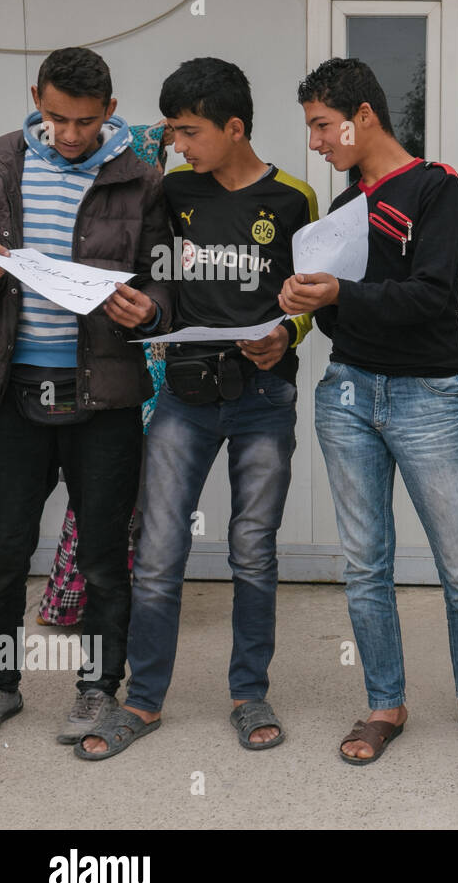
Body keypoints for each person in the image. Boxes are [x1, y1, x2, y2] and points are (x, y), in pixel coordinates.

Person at [282, 57, 458, 764]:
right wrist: (313, 301)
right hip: (345, 396)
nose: (317, 142)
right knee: (366, 564)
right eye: (311, 129)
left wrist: (339, 295)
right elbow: (343, 325)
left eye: (323, 126)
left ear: (363, 114)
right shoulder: (338, 214)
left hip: (426, 397)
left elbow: (432, 298)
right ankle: (383, 705)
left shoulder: (436, 188)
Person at [80, 57, 317, 759]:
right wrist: (145, 310)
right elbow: (161, 285)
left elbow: (308, 297)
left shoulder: (294, 199)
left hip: (263, 398)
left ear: (234, 126)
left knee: (252, 551)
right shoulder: (173, 192)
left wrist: (287, 333)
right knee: (156, 553)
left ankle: (249, 693)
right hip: (183, 398)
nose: (177, 145)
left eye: (188, 131)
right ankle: (144, 702)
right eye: (174, 132)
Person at [0, 47, 172, 739]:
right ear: (36, 98)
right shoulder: (4, 163)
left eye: (84, 121)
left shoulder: (141, 178)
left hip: (103, 393)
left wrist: (151, 310)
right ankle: (3, 681)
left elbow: (165, 280)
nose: (69, 134)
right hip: (12, 389)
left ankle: (99, 687)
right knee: (5, 548)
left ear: (109, 109)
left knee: (103, 554)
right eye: (56, 118)